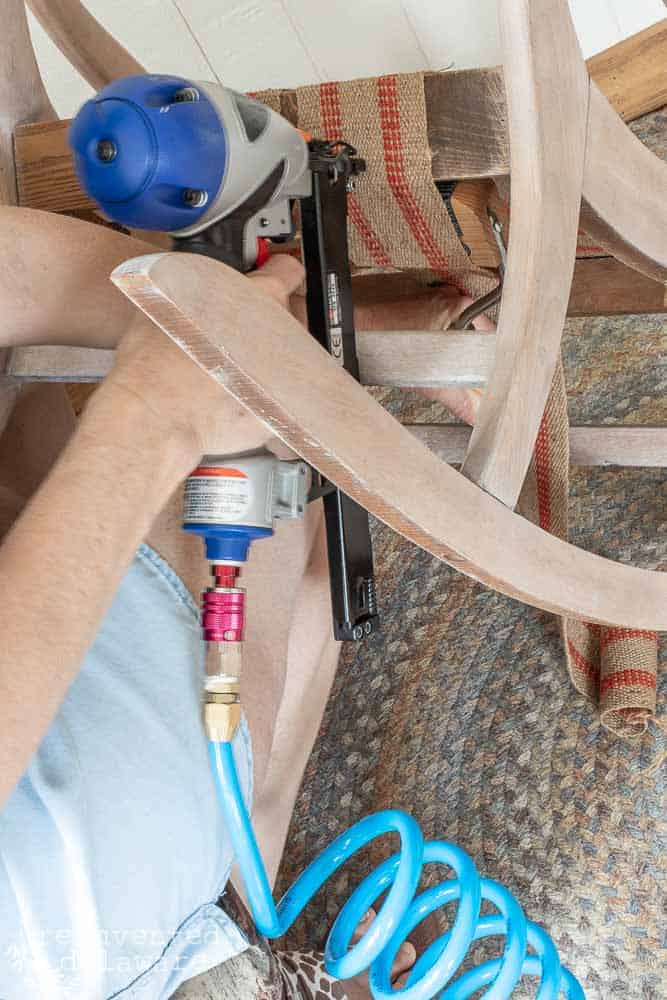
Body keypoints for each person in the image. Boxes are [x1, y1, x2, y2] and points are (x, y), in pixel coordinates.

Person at [0, 206, 492, 999]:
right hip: (93, 868)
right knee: (267, 473)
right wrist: (153, 414)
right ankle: (299, 345)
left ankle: (309, 339)